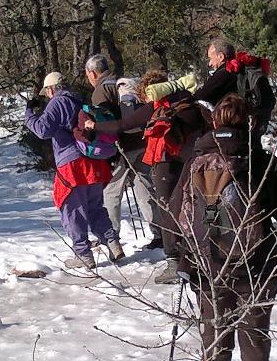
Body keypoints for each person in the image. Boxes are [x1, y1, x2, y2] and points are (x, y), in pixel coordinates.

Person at [172, 94, 277, 361]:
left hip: (208, 267)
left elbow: (175, 212)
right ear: (248, 122)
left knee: (214, 342)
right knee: (254, 343)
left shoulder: (195, 163)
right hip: (255, 265)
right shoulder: (260, 161)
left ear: (215, 122)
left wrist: (185, 256)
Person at [84, 69, 209, 283]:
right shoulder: (191, 102)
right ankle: (200, 255)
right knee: (194, 205)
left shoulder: (157, 106)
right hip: (192, 160)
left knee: (168, 208)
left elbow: (123, 125)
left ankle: (173, 261)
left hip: (165, 163)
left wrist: (94, 125)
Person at [25, 72, 124, 268]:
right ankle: (113, 243)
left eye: (47, 92)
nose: (48, 96)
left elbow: (42, 130)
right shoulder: (79, 100)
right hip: (92, 162)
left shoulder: (57, 102)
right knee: (95, 208)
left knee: (72, 210)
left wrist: (29, 114)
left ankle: (83, 255)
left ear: (52, 89)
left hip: (72, 164)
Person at [83, 54, 161, 251]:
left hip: (122, 149)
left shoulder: (101, 91)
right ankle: (160, 234)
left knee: (111, 192)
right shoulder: (123, 83)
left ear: (93, 73)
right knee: (145, 189)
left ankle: (110, 237)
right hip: (141, 143)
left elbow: (104, 124)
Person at [195, 38, 275, 149]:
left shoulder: (225, 73)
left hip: (235, 129)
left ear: (221, 56)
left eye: (210, 58)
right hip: (254, 122)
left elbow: (202, 95)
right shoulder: (241, 71)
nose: (210, 63)